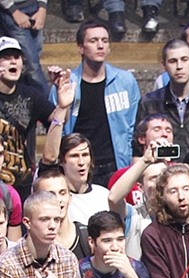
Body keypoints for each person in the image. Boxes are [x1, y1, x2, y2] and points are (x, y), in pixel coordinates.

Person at [0, 38, 71, 199]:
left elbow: (58, 120)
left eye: (16, 57)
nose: (13, 62)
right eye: (6, 57)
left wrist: (61, 99)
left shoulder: (31, 95)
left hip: (20, 182)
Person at [48, 21, 140, 187]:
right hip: (79, 167)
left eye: (104, 41)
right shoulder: (67, 84)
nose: (100, 46)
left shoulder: (125, 81)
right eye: (93, 41)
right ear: (80, 48)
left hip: (115, 166)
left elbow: (133, 127)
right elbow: (57, 128)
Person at [0, 191, 86, 278]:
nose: (52, 226)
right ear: (27, 222)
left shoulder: (68, 259)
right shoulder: (7, 266)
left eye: (57, 219)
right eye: (44, 219)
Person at [79, 211, 154, 278]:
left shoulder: (136, 268)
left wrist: (130, 275)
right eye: (107, 241)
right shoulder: (79, 271)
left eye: (120, 239)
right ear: (92, 242)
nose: (115, 247)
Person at [32, 168, 92, 260]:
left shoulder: (89, 236)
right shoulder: (30, 244)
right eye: (50, 194)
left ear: (70, 197)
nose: (58, 200)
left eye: (62, 193)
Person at [0, 3, 48, 93]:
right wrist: (14, 11)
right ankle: (48, 102)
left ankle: (28, 97)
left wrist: (42, 8)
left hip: (35, 7)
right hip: (11, 11)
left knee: (34, 60)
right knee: (32, 64)